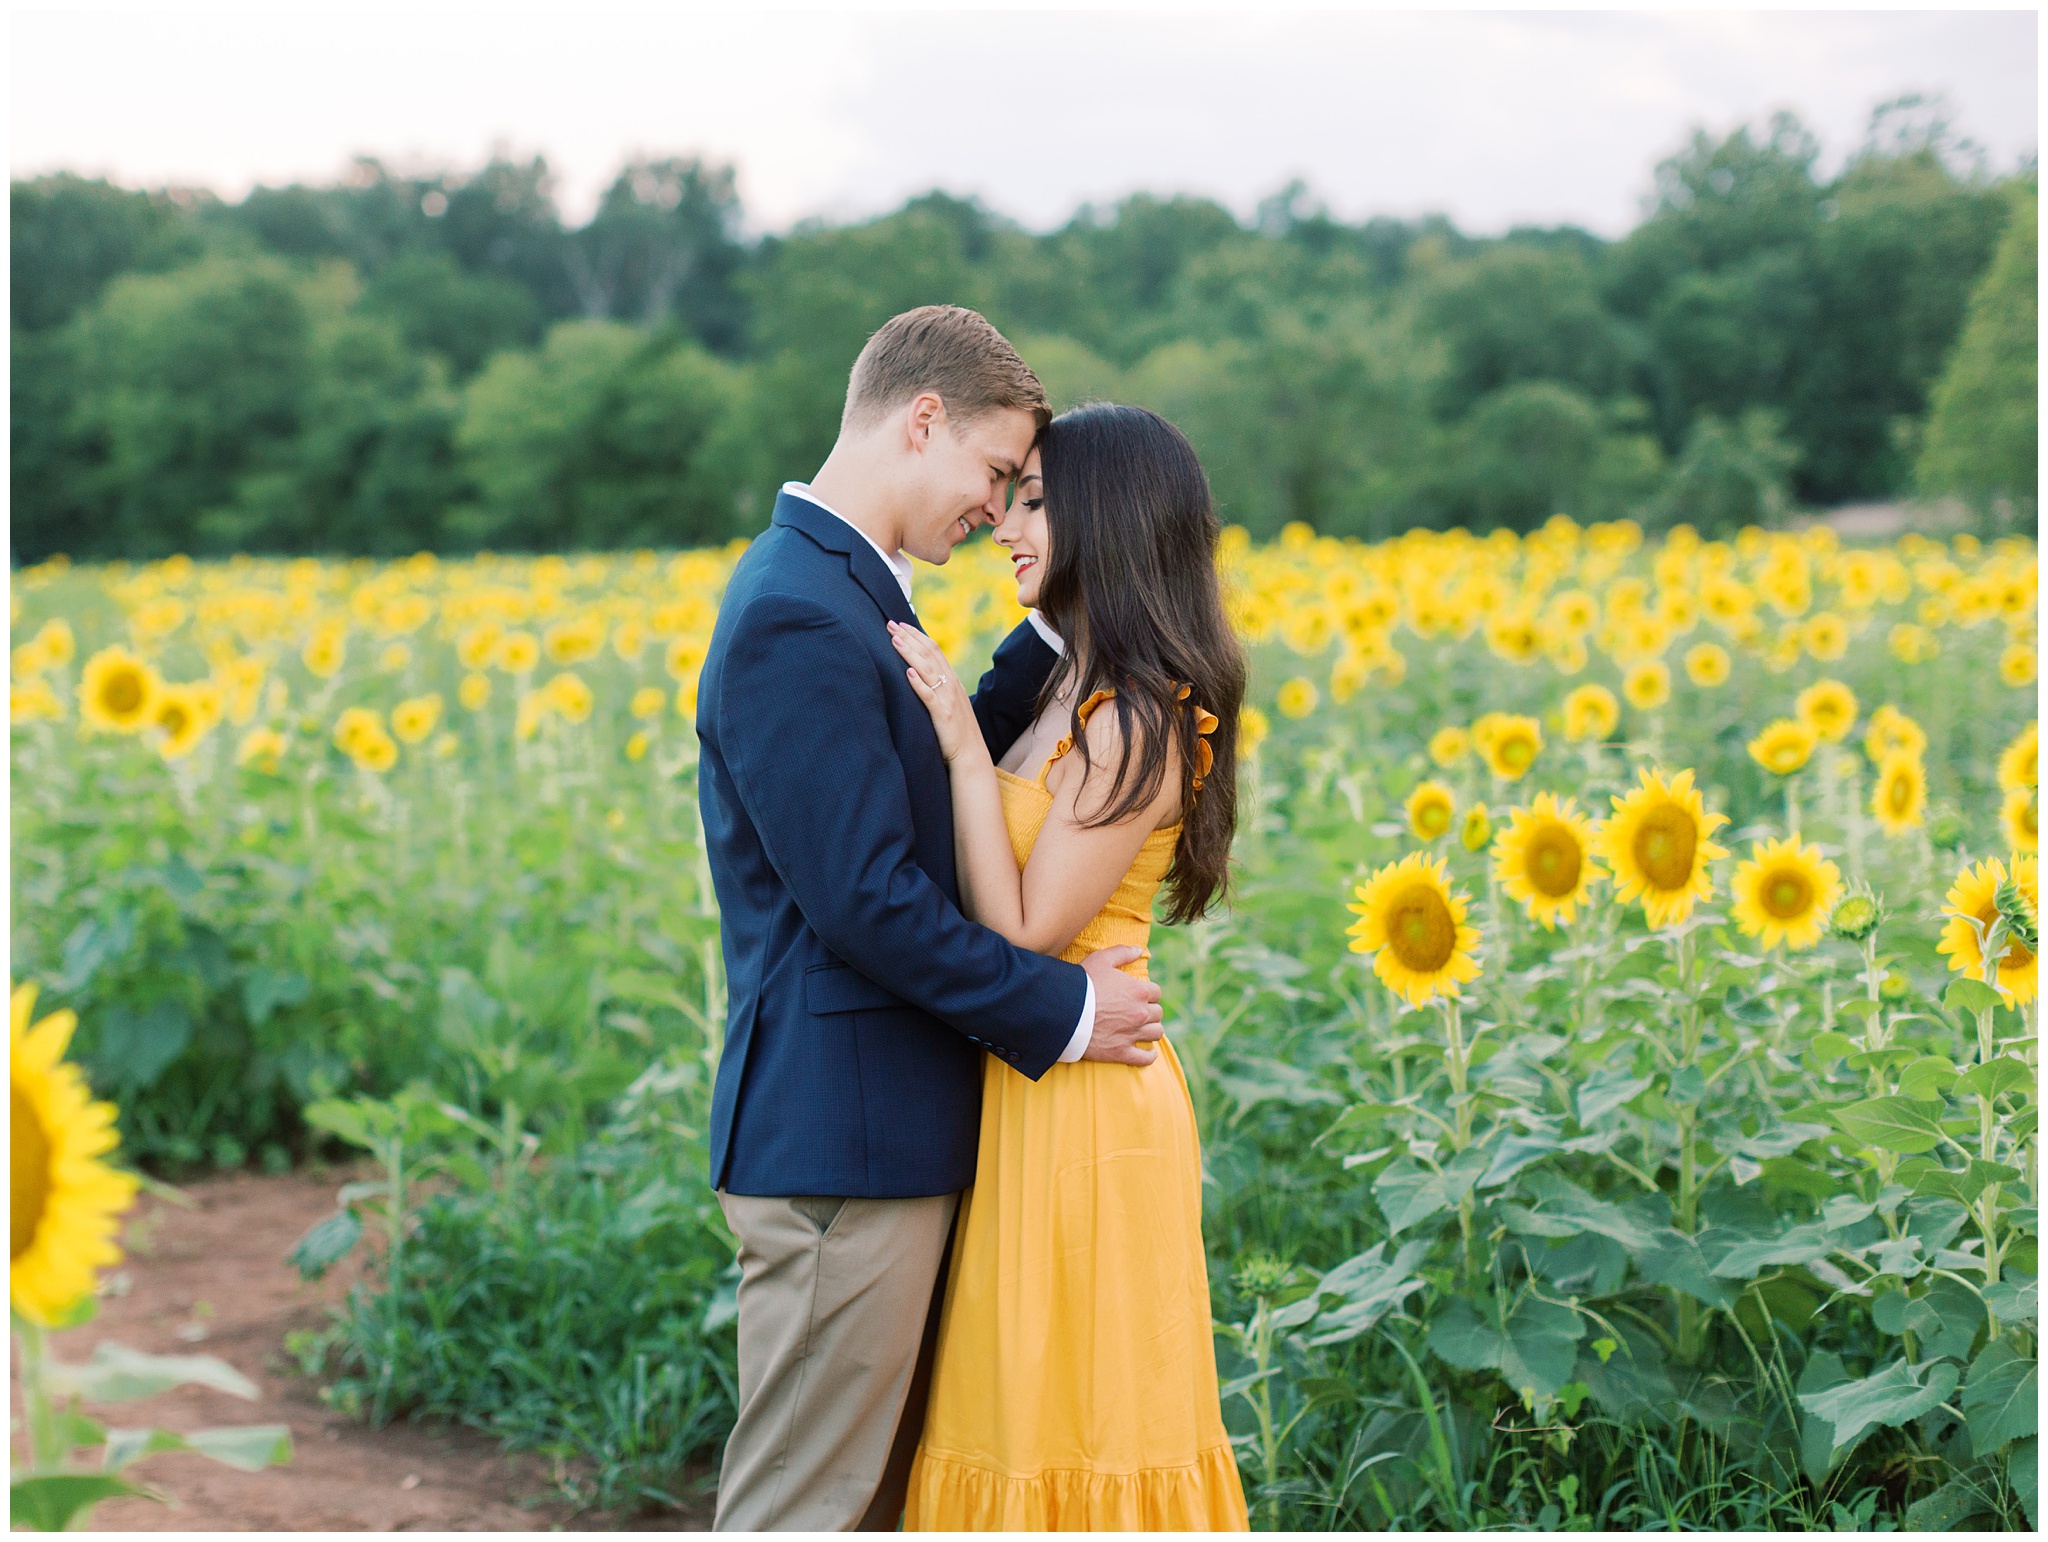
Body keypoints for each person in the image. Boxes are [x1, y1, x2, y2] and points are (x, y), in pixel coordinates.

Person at [694, 306, 1169, 1532]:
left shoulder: (844, 584)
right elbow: (865, 899)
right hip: (842, 1146)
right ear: (921, 420)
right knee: (804, 1509)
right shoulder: (799, 607)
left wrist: (1088, 595)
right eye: (995, 473)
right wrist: (1062, 1009)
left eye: (1026, 492)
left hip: (887, 1130)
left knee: (870, 1504)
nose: (998, 510)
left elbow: (934, 741)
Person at [886, 403, 1251, 1530]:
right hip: (1039, 1072)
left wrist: (954, 742)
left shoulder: (1138, 717)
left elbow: (1028, 932)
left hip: (1092, 1105)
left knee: (1083, 1415)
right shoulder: (1065, 687)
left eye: (1036, 500)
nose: (1004, 523)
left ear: (1111, 518)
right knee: (1012, 1400)